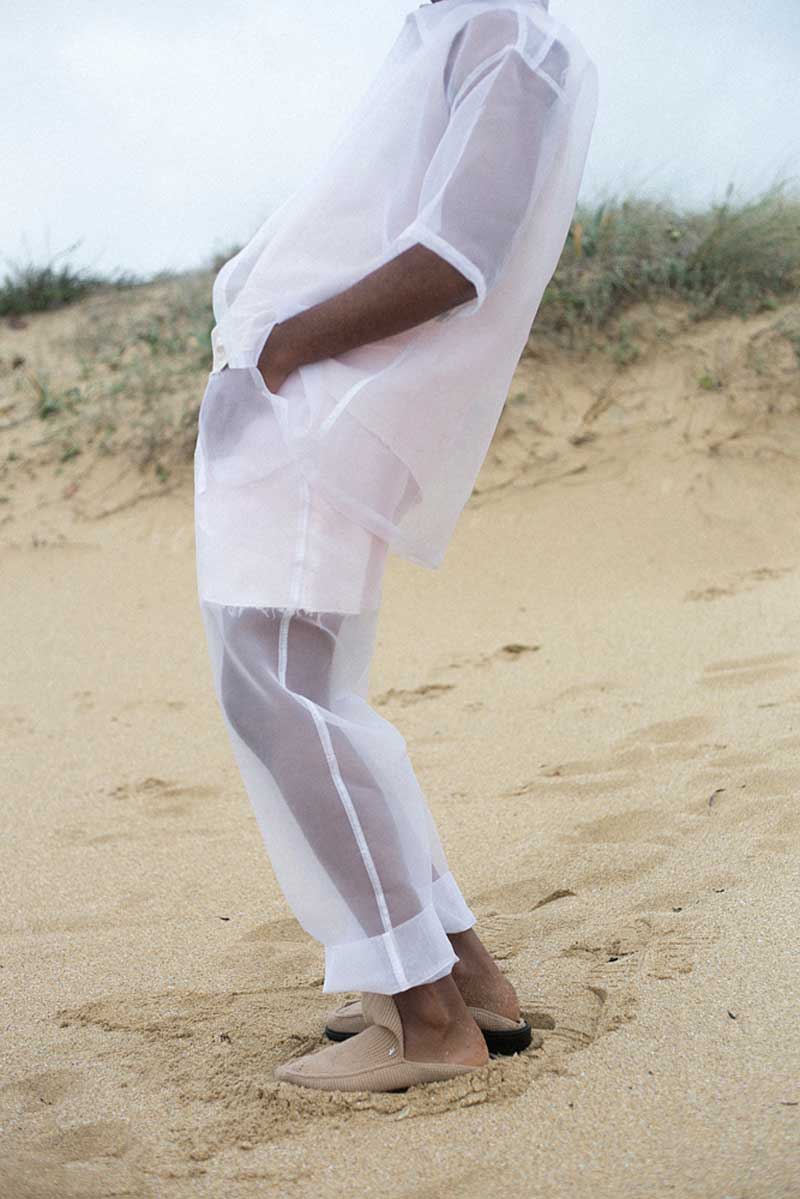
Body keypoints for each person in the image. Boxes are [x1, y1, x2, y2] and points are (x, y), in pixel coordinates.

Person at [193, 0, 598, 1092]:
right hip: (302, 408)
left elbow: (456, 256)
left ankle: (425, 1019)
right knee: (301, 697)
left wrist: (281, 348)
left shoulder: (505, 31)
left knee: (282, 699)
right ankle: (464, 979)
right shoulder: (462, 24)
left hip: (316, 413)